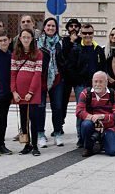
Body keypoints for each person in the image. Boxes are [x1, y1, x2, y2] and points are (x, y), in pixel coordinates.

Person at [66, 23, 107, 147]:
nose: (87, 35)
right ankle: (81, 137)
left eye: (90, 33)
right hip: (81, 86)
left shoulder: (98, 49)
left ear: (93, 34)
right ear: (81, 34)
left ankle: (96, 136)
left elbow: (103, 67)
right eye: (85, 33)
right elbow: (70, 67)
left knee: (97, 110)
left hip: (97, 87)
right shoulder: (76, 49)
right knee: (81, 112)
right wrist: (78, 81)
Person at [11, 29, 44, 156]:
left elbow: (37, 74)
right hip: (19, 91)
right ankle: (26, 144)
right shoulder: (15, 54)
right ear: (19, 39)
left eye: (28, 37)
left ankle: (35, 145)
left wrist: (31, 91)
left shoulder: (38, 53)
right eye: (23, 37)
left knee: (34, 118)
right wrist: (14, 91)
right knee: (23, 118)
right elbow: (13, 74)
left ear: (32, 39)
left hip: (33, 91)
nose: (26, 39)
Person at [76, 71, 115, 157]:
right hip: (91, 125)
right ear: (92, 82)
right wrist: (93, 118)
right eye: (95, 81)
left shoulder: (113, 94)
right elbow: (79, 111)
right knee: (86, 124)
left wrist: (102, 117)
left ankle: (102, 141)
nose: (98, 84)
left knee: (113, 151)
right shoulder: (85, 93)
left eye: (101, 81)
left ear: (106, 82)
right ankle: (88, 148)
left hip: (108, 127)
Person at [37, 17, 65, 148]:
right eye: (48, 25)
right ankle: (40, 134)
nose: (51, 28)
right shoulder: (38, 43)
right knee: (40, 108)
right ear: (44, 27)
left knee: (58, 107)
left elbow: (64, 60)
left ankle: (58, 133)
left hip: (57, 79)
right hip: (41, 79)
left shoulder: (61, 42)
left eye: (53, 26)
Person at [60, 18, 82, 133]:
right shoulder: (64, 41)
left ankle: (80, 128)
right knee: (63, 102)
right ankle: (60, 125)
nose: (73, 28)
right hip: (66, 76)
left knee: (81, 103)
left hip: (78, 77)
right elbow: (64, 55)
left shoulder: (82, 40)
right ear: (68, 28)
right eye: (71, 26)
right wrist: (72, 42)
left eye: (76, 26)